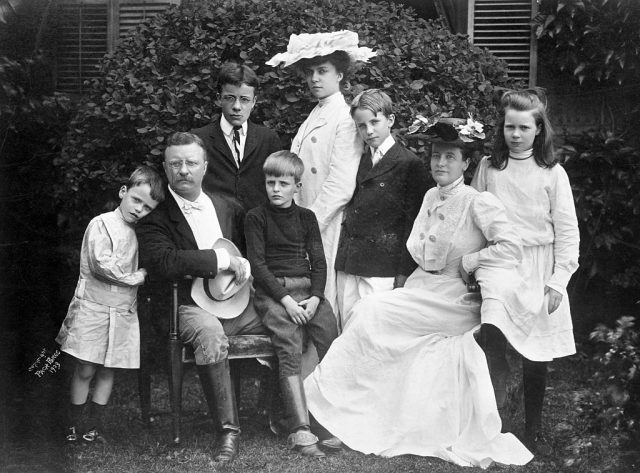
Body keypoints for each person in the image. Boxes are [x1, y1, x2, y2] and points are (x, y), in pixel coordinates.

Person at [303, 116, 534, 467]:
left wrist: (472, 260)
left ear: (467, 163)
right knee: (366, 312)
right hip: (423, 289)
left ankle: (327, 405)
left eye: (450, 157)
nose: (440, 163)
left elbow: (512, 246)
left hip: (455, 298)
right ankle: (345, 407)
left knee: (371, 312)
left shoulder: (478, 202)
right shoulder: (429, 195)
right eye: (436, 156)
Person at [135, 132, 266, 465]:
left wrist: (246, 264)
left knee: (284, 319)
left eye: (191, 162)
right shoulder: (155, 215)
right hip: (186, 305)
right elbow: (165, 262)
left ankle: (288, 416)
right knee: (209, 333)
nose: (183, 170)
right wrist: (221, 260)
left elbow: (251, 250)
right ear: (165, 168)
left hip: (235, 302)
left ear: (205, 166)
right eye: (175, 163)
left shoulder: (227, 205)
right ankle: (228, 432)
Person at [471, 88, 580, 453]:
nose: (515, 135)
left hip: (537, 267)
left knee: (536, 353)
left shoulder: (552, 174)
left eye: (523, 128)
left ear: (538, 130)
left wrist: (557, 282)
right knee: (492, 342)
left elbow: (567, 232)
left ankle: (532, 429)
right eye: (509, 127)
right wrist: (473, 263)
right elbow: (472, 217)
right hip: (500, 264)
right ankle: (494, 421)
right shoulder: (489, 168)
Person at [267, 30, 376, 320]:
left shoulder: (344, 117)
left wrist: (307, 225)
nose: (315, 78)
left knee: (321, 296)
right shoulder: (313, 115)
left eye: (323, 71)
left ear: (340, 74)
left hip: (323, 222)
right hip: (301, 219)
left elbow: (341, 184)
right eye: (310, 72)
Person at [56, 166, 165, 444]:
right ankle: (72, 425)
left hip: (123, 310)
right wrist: (137, 277)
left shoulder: (142, 233)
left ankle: (93, 427)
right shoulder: (102, 223)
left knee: (108, 369)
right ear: (123, 192)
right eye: (136, 200)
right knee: (86, 367)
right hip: (93, 307)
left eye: (147, 207)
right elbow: (101, 265)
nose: (139, 209)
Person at [244, 151, 338, 458]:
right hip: (274, 294)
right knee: (288, 342)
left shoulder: (307, 218)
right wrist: (287, 301)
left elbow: (319, 262)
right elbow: (257, 265)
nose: (276, 189)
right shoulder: (256, 217)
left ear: (297, 186)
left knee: (329, 336)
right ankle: (300, 428)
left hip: (307, 291)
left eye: (283, 183)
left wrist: (316, 298)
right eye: (271, 182)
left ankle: (325, 418)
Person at [335, 89, 429, 324]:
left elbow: (414, 225)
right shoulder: (358, 158)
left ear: (390, 120)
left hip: (382, 268)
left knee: (375, 330)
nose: (368, 131)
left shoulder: (409, 163)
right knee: (346, 328)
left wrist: (403, 273)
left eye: (375, 122)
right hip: (350, 263)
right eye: (361, 126)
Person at [192, 62, 282, 212]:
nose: (237, 106)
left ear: (254, 102)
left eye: (244, 99)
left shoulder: (268, 139)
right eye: (230, 98)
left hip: (257, 229)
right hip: (216, 227)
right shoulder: (199, 139)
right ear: (219, 98)